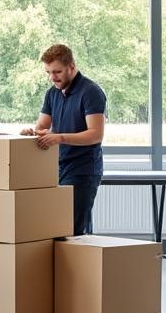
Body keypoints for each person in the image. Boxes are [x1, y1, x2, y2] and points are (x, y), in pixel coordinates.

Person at [20, 43, 107, 236]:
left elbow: (95, 134)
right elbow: (42, 126)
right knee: (55, 228)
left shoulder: (90, 92)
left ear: (71, 67)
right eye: (48, 72)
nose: (53, 78)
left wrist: (59, 137)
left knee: (71, 230)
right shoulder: (52, 93)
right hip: (57, 167)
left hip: (83, 170)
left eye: (57, 72)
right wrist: (31, 133)